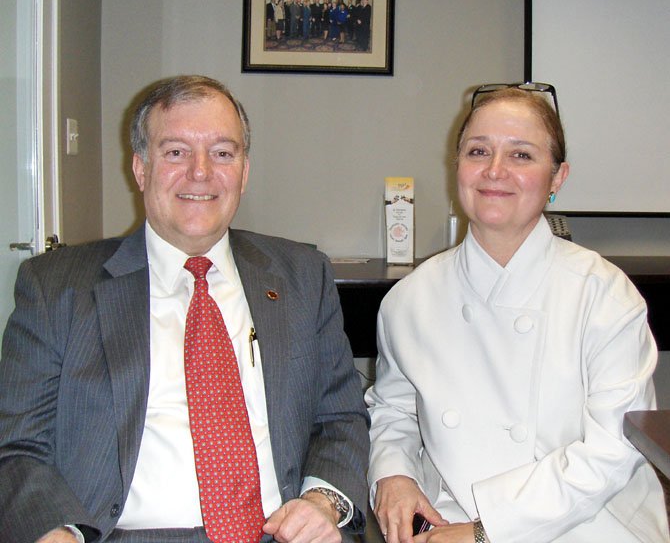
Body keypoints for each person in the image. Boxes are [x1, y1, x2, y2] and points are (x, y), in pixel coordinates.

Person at [0, 75, 369, 543]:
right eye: (175, 152)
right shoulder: (56, 287)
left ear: (244, 170)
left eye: (222, 153)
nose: (201, 172)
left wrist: (323, 502)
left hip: (281, 533)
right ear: (140, 168)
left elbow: (341, 418)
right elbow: (16, 447)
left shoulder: (302, 276)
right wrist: (56, 531)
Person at [365, 84, 669, 542]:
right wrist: (394, 475)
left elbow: (613, 451)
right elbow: (394, 411)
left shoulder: (603, 296)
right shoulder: (409, 301)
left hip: (591, 525)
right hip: (449, 520)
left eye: (522, 155)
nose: (494, 171)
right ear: (458, 167)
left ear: (558, 177)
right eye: (478, 151)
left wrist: (487, 532)